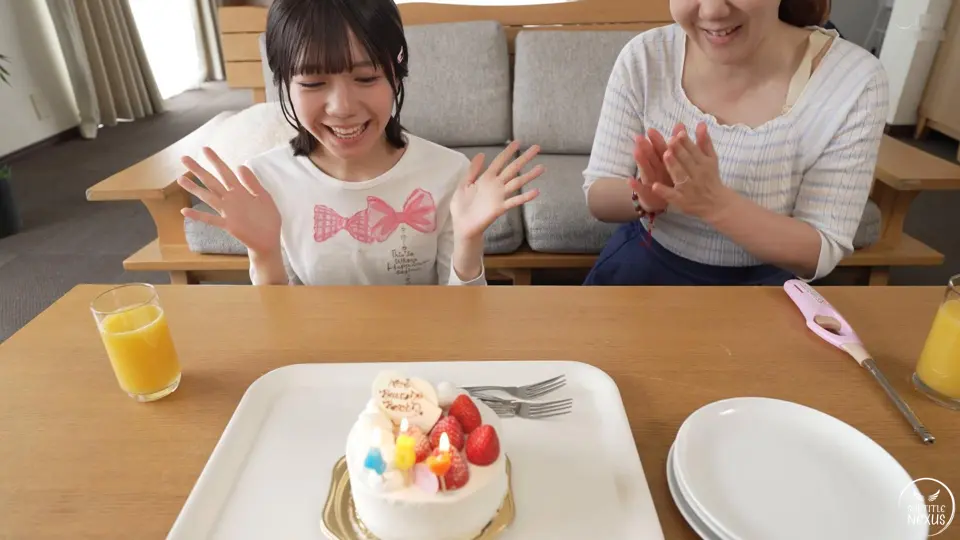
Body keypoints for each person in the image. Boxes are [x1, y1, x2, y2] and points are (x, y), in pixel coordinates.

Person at [176, 0, 544, 286]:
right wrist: (263, 253)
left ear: (396, 76)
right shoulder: (266, 179)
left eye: (366, 78)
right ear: (284, 84)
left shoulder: (448, 172)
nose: (343, 107)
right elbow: (282, 319)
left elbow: (462, 313)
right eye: (313, 83)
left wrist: (468, 241)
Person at [581, 0, 888, 286]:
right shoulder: (646, 56)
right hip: (643, 268)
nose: (712, 11)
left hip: (762, 290)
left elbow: (820, 250)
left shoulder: (854, 79)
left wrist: (715, 204)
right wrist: (647, 198)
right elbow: (598, 194)